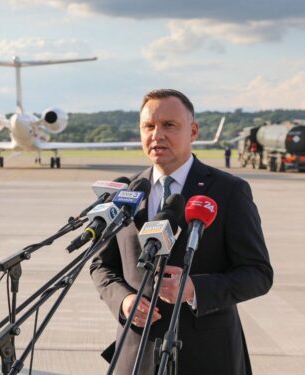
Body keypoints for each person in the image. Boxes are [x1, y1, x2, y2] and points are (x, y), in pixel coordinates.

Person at [90, 89, 273, 375]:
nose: (156, 135)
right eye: (148, 126)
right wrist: (124, 300)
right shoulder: (127, 191)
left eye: (169, 125)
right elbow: (102, 266)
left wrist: (194, 288)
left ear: (194, 130)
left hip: (206, 355)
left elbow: (258, 274)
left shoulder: (229, 191)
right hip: (137, 354)